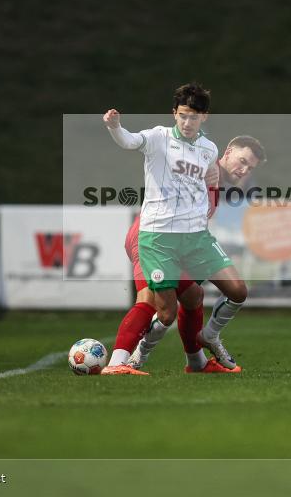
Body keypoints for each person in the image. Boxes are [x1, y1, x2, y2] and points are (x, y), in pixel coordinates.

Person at [100, 83, 249, 375]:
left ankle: (202, 351)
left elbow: (209, 181)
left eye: (194, 116)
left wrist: (211, 194)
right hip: (159, 238)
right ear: (174, 114)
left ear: (203, 117)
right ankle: (123, 361)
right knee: (165, 312)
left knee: (235, 290)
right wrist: (115, 126)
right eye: (182, 115)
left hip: (195, 239)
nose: (187, 122)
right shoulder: (158, 137)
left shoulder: (208, 149)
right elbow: (129, 141)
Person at [124, 135, 266, 372]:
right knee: (159, 307)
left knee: (200, 295)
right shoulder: (204, 165)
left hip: (185, 243)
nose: (243, 170)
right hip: (154, 239)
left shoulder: (219, 185)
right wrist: (203, 170)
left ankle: (202, 350)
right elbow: (177, 166)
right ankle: (131, 357)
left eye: (249, 168)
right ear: (228, 152)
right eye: (242, 161)